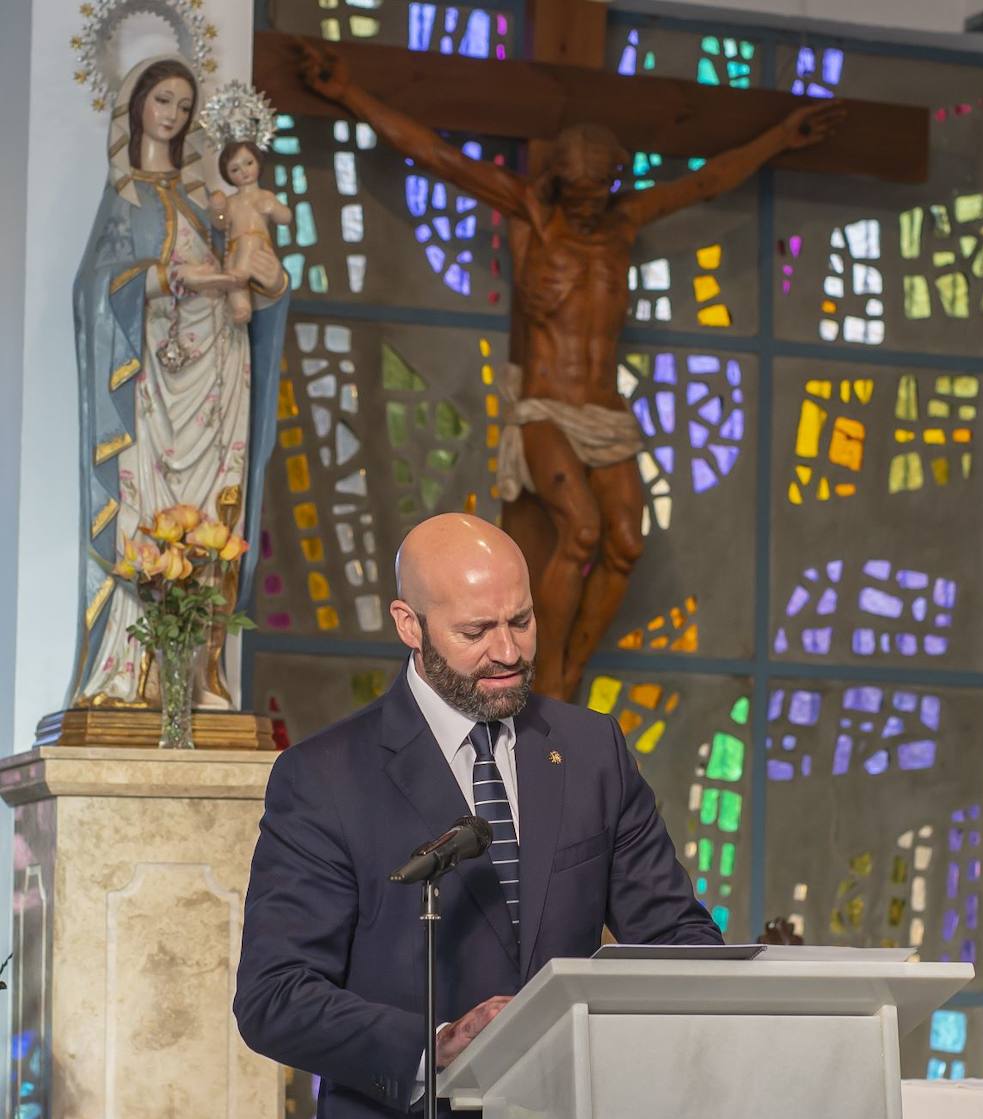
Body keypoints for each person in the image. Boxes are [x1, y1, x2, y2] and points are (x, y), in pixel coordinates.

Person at [234, 512, 722, 1119]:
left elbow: (676, 937)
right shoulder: (323, 778)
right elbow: (274, 996)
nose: (509, 650)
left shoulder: (591, 749)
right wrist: (435, 1047)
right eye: (477, 630)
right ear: (408, 625)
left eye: (522, 620)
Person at [297, 41, 844, 700]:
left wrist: (781, 138)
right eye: (578, 193)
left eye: (599, 191)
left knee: (625, 543)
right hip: (548, 408)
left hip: (605, 411)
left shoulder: (623, 223)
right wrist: (348, 94)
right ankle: (544, 672)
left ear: (614, 182)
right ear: (559, 181)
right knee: (580, 529)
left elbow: (707, 181)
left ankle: (572, 666)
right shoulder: (537, 214)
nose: (588, 205)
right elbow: (437, 155)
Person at [70, 57, 288, 710]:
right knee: (143, 520)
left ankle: (197, 678)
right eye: (162, 100)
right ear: (136, 104)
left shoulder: (209, 200)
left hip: (217, 375)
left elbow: (256, 279)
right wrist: (167, 280)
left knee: (213, 514)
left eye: (184, 106)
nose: (172, 115)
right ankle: (127, 674)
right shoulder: (126, 197)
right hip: (148, 388)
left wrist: (269, 280)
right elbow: (93, 292)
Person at [208, 139, 292, 326]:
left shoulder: (265, 196)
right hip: (236, 250)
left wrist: (273, 208)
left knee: (247, 244)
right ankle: (241, 308)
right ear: (227, 175)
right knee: (231, 268)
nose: (244, 171)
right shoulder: (232, 201)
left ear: (258, 162)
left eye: (248, 163)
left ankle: (240, 273)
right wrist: (218, 210)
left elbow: (286, 217)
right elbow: (220, 225)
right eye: (235, 169)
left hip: (259, 247)